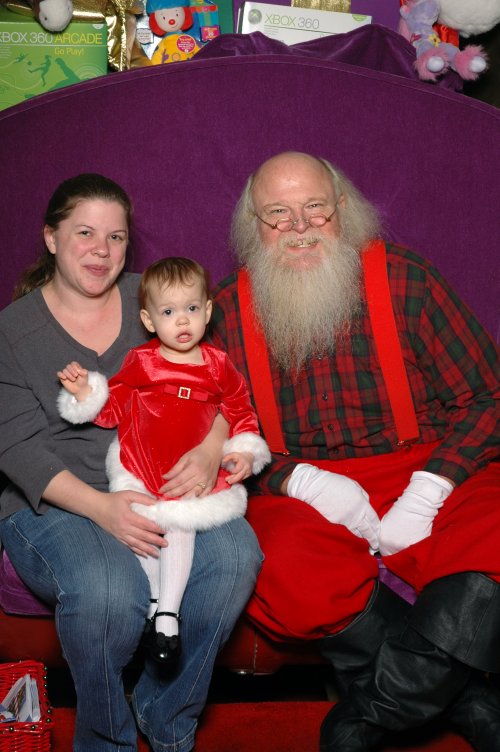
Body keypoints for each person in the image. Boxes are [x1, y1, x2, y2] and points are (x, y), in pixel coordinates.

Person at [210, 151, 500, 752]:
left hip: (424, 466)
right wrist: (300, 482)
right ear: (253, 227)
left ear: (344, 211)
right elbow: (217, 440)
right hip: (305, 493)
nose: (299, 227)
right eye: (277, 214)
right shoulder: (225, 313)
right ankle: (468, 698)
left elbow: (488, 398)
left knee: (495, 524)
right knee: (275, 561)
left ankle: (369, 715)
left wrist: (431, 489)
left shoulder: (407, 279)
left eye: (315, 207)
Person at [0, 174, 262, 752]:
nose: (102, 250)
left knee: (237, 555)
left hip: (170, 481)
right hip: (58, 498)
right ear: (50, 237)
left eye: (116, 237)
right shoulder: (11, 330)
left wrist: (215, 443)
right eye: (85, 233)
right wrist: (103, 508)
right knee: (107, 590)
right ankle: (106, 738)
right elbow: (15, 449)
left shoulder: (158, 295)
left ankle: (166, 718)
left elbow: (222, 384)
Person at [56, 256, 270, 667]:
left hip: (188, 475)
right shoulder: (142, 362)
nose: (183, 321)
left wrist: (242, 451)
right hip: (140, 466)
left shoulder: (219, 367)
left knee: (181, 519)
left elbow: (241, 412)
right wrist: (85, 393)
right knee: (144, 525)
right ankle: (154, 603)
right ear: (150, 320)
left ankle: (166, 614)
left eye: (192, 309)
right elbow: (112, 407)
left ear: (207, 310)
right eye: (169, 312)